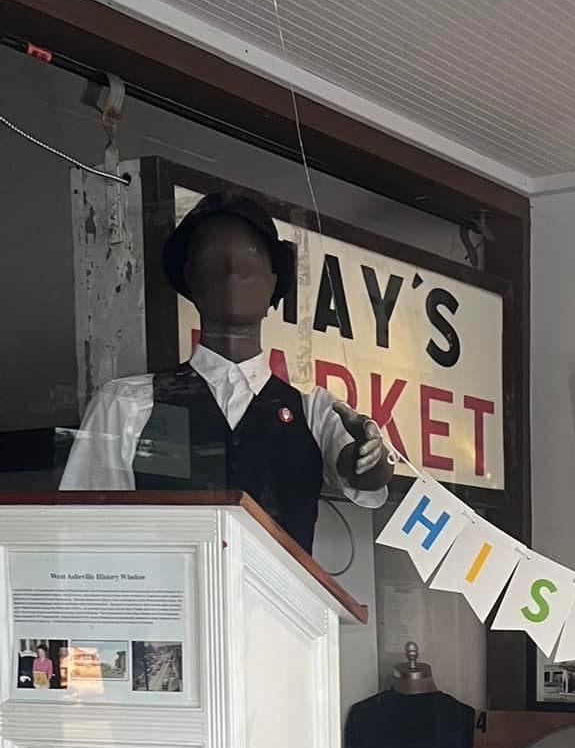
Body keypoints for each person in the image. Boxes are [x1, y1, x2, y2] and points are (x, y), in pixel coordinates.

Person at [61, 192, 390, 554]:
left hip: (282, 611)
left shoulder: (314, 414)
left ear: (273, 282)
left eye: (249, 259)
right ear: (190, 277)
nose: (233, 272)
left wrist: (370, 457)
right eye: (213, 260)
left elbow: (361, 475)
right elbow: (83, 535)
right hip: (167, 607)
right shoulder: (126, 405)